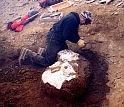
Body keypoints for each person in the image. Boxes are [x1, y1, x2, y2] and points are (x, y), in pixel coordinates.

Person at [19, 11, 92, 67]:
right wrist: (77, 41)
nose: (86, 24)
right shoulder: (72, 20)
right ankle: (26, 53)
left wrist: (79, 39)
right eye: (87, 22)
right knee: (47, 62)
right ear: (83, 18)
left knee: (66, 53)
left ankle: (43, 52)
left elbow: (74, 31)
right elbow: (67, 34)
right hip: (54, 39)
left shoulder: (74, 19)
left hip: (59, 38)